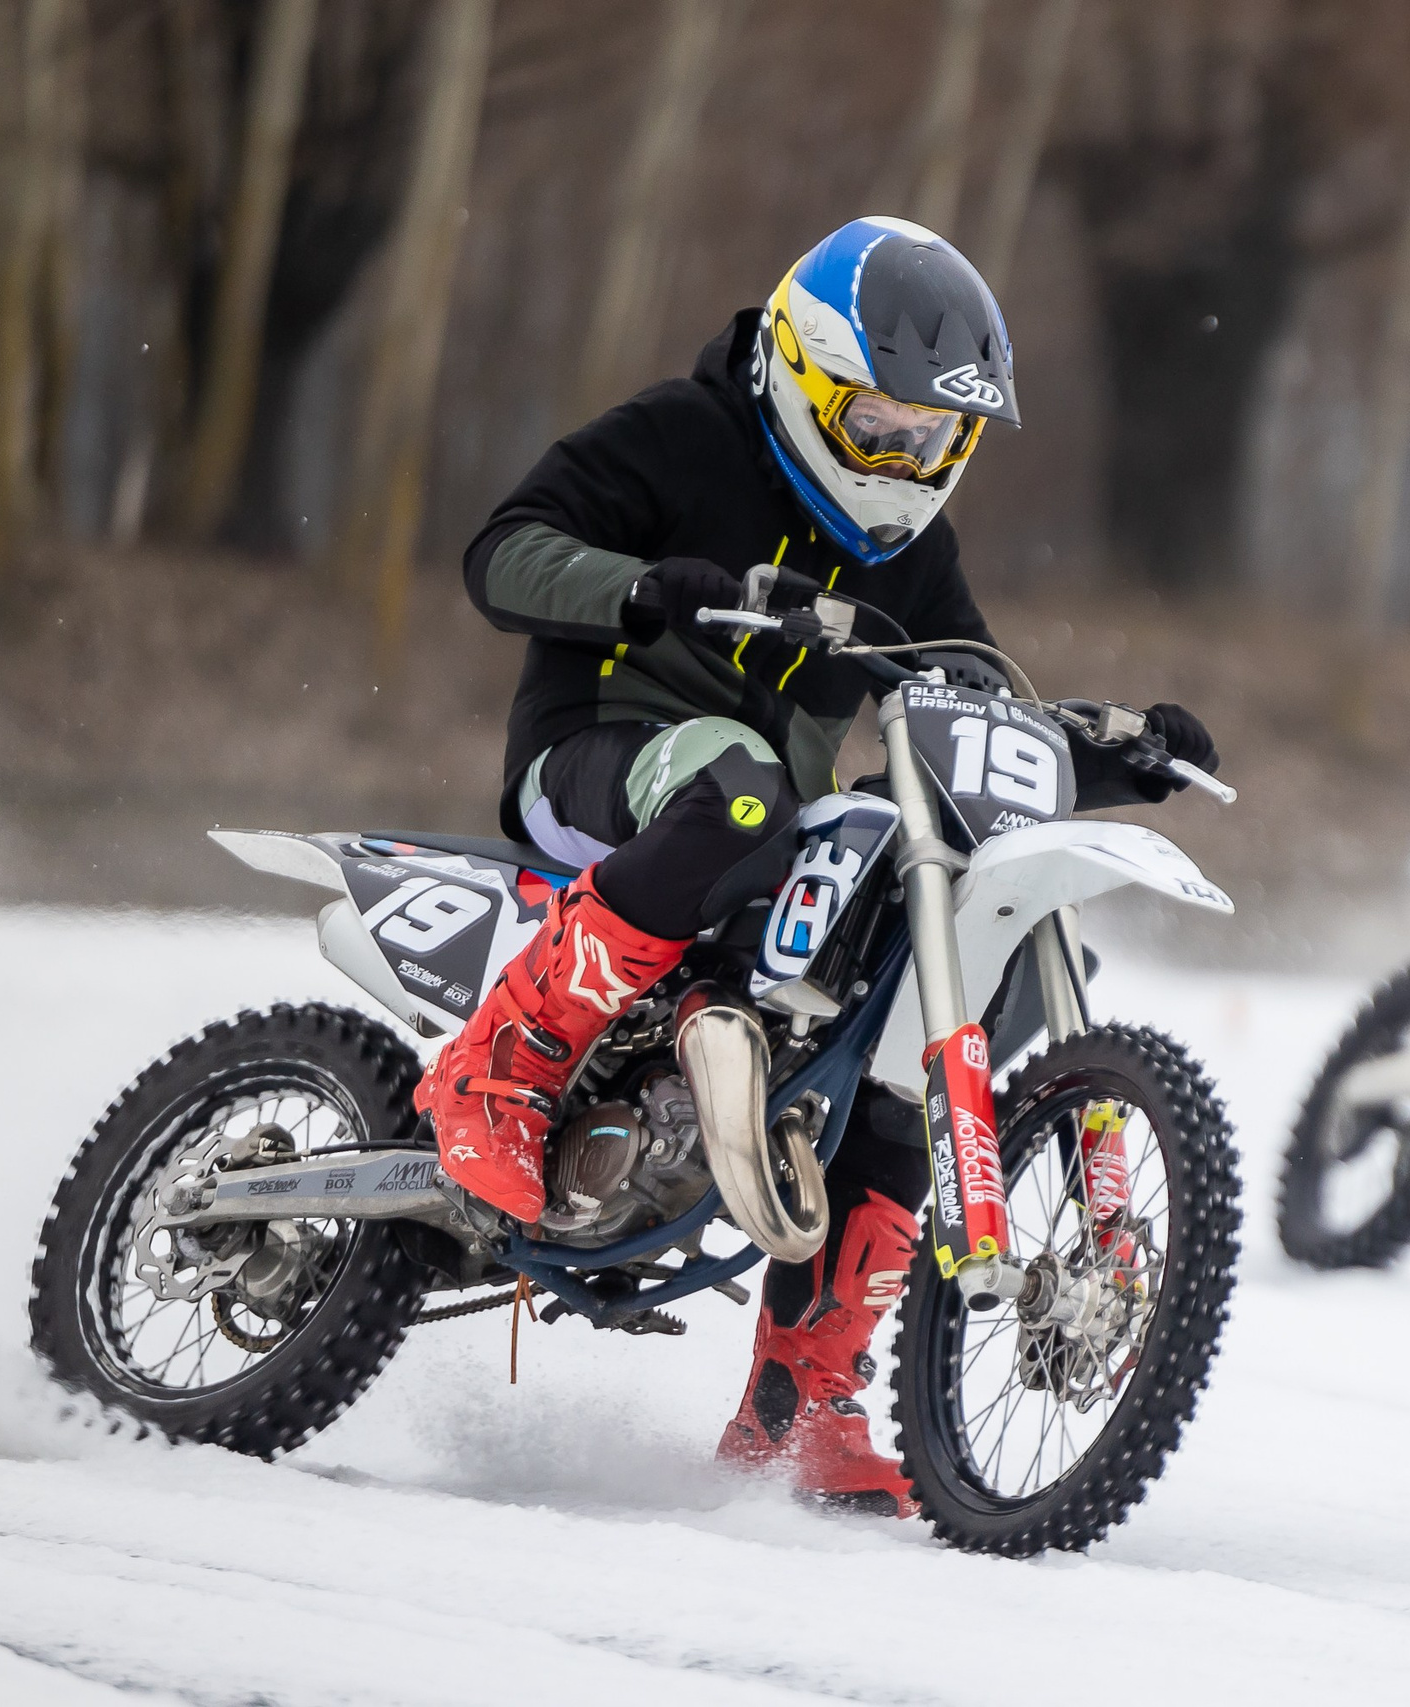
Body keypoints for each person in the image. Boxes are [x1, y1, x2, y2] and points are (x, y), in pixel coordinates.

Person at [418, 216, 1219, 1515]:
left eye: (929, 437)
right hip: (600, 764)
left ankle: (801, 1400)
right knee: (741, 784)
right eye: (881, 423)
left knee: (918, 958)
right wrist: (646, 588)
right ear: (800, 369)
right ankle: (496, 1069)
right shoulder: (685, 436)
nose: (903, 459)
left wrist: (1112, 747)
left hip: (764, 827)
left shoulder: (911, 549)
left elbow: (972, 694)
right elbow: (501, 552)